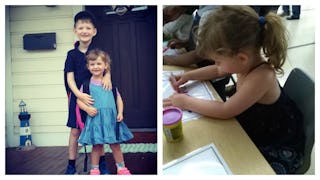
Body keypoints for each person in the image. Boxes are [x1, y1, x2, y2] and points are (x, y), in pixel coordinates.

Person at [163, 6, 305, 174]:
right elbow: (218, 70)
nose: (217, 65)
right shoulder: (243, 62)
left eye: (218, 60)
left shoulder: (262, 77)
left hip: (274, 138)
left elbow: (226, 110)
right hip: (253, 121)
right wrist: (189, 76)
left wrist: (185, 101)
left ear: (242, 58)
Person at [63, 10, 112, 174]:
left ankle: (101, 163)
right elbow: (69, 78)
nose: (84, 31)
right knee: (75, 131)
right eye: (81, 28)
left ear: (94, 31)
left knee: (97, 129)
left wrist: (108, 76)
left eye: (88, 28)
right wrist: (78, 94)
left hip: (95, 96)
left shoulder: (98, 52)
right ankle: (71, 165)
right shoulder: (71, 55)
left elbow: (106, 66)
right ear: (75, 31)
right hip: (77, 96)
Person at [78, 49, 134, 175]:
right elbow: (79, 101)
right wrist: (87, 108)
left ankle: (121, 168)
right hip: (96, 120)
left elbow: (118, 99)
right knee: (97, 146)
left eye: (99, 64)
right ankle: (94, 169)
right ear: (88, 66)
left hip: (111, 120)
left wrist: (120, 112)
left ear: (106, 66)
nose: (96, 67)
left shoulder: (110, 83)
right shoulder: (87, 85)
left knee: (115, 145)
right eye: (92, 64)